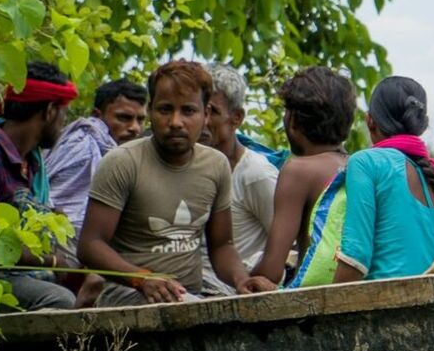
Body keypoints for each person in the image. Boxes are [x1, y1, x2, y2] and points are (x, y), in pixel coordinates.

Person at [76, 60, 265, 306]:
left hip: (191, 294)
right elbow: (90, 245)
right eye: (165, 110)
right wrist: (141, 279)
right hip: (129, 295)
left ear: (205, 114)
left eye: (188, 111)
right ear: (151, 110)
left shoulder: (215, 165)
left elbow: (222, 246)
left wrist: (241, 280)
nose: (176, 122)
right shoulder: (123, 162)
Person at [293, 76, 434, 287]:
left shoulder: (365, 162)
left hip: (382, 305)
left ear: (370, 120)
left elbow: (356, 257)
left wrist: (324, 305)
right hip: (433, 302)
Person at [0, 62, 79, 311]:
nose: (64, 124)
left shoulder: (30, 164)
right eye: (65, 114)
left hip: (14, 275)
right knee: (60, 300)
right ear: (50, 111)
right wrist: (51, 260)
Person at [251, 67, 355, 289]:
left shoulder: (298, 171)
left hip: (312, 299)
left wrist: (242, 279)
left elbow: (271, 268)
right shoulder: (359, 166)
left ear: (293, 121)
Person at [203, 63, 279, 276]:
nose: (204, 121)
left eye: (213, 112)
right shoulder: (189, 164)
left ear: (236, 117)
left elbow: (283, 245)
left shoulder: (255, 174)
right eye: (199, 110)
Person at [47, 78, 147, 232]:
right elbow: (63, 211)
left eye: (140, 120)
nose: (135, 128)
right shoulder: (83, 147)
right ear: (97, 115)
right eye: (124, 118)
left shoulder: (116, 152)